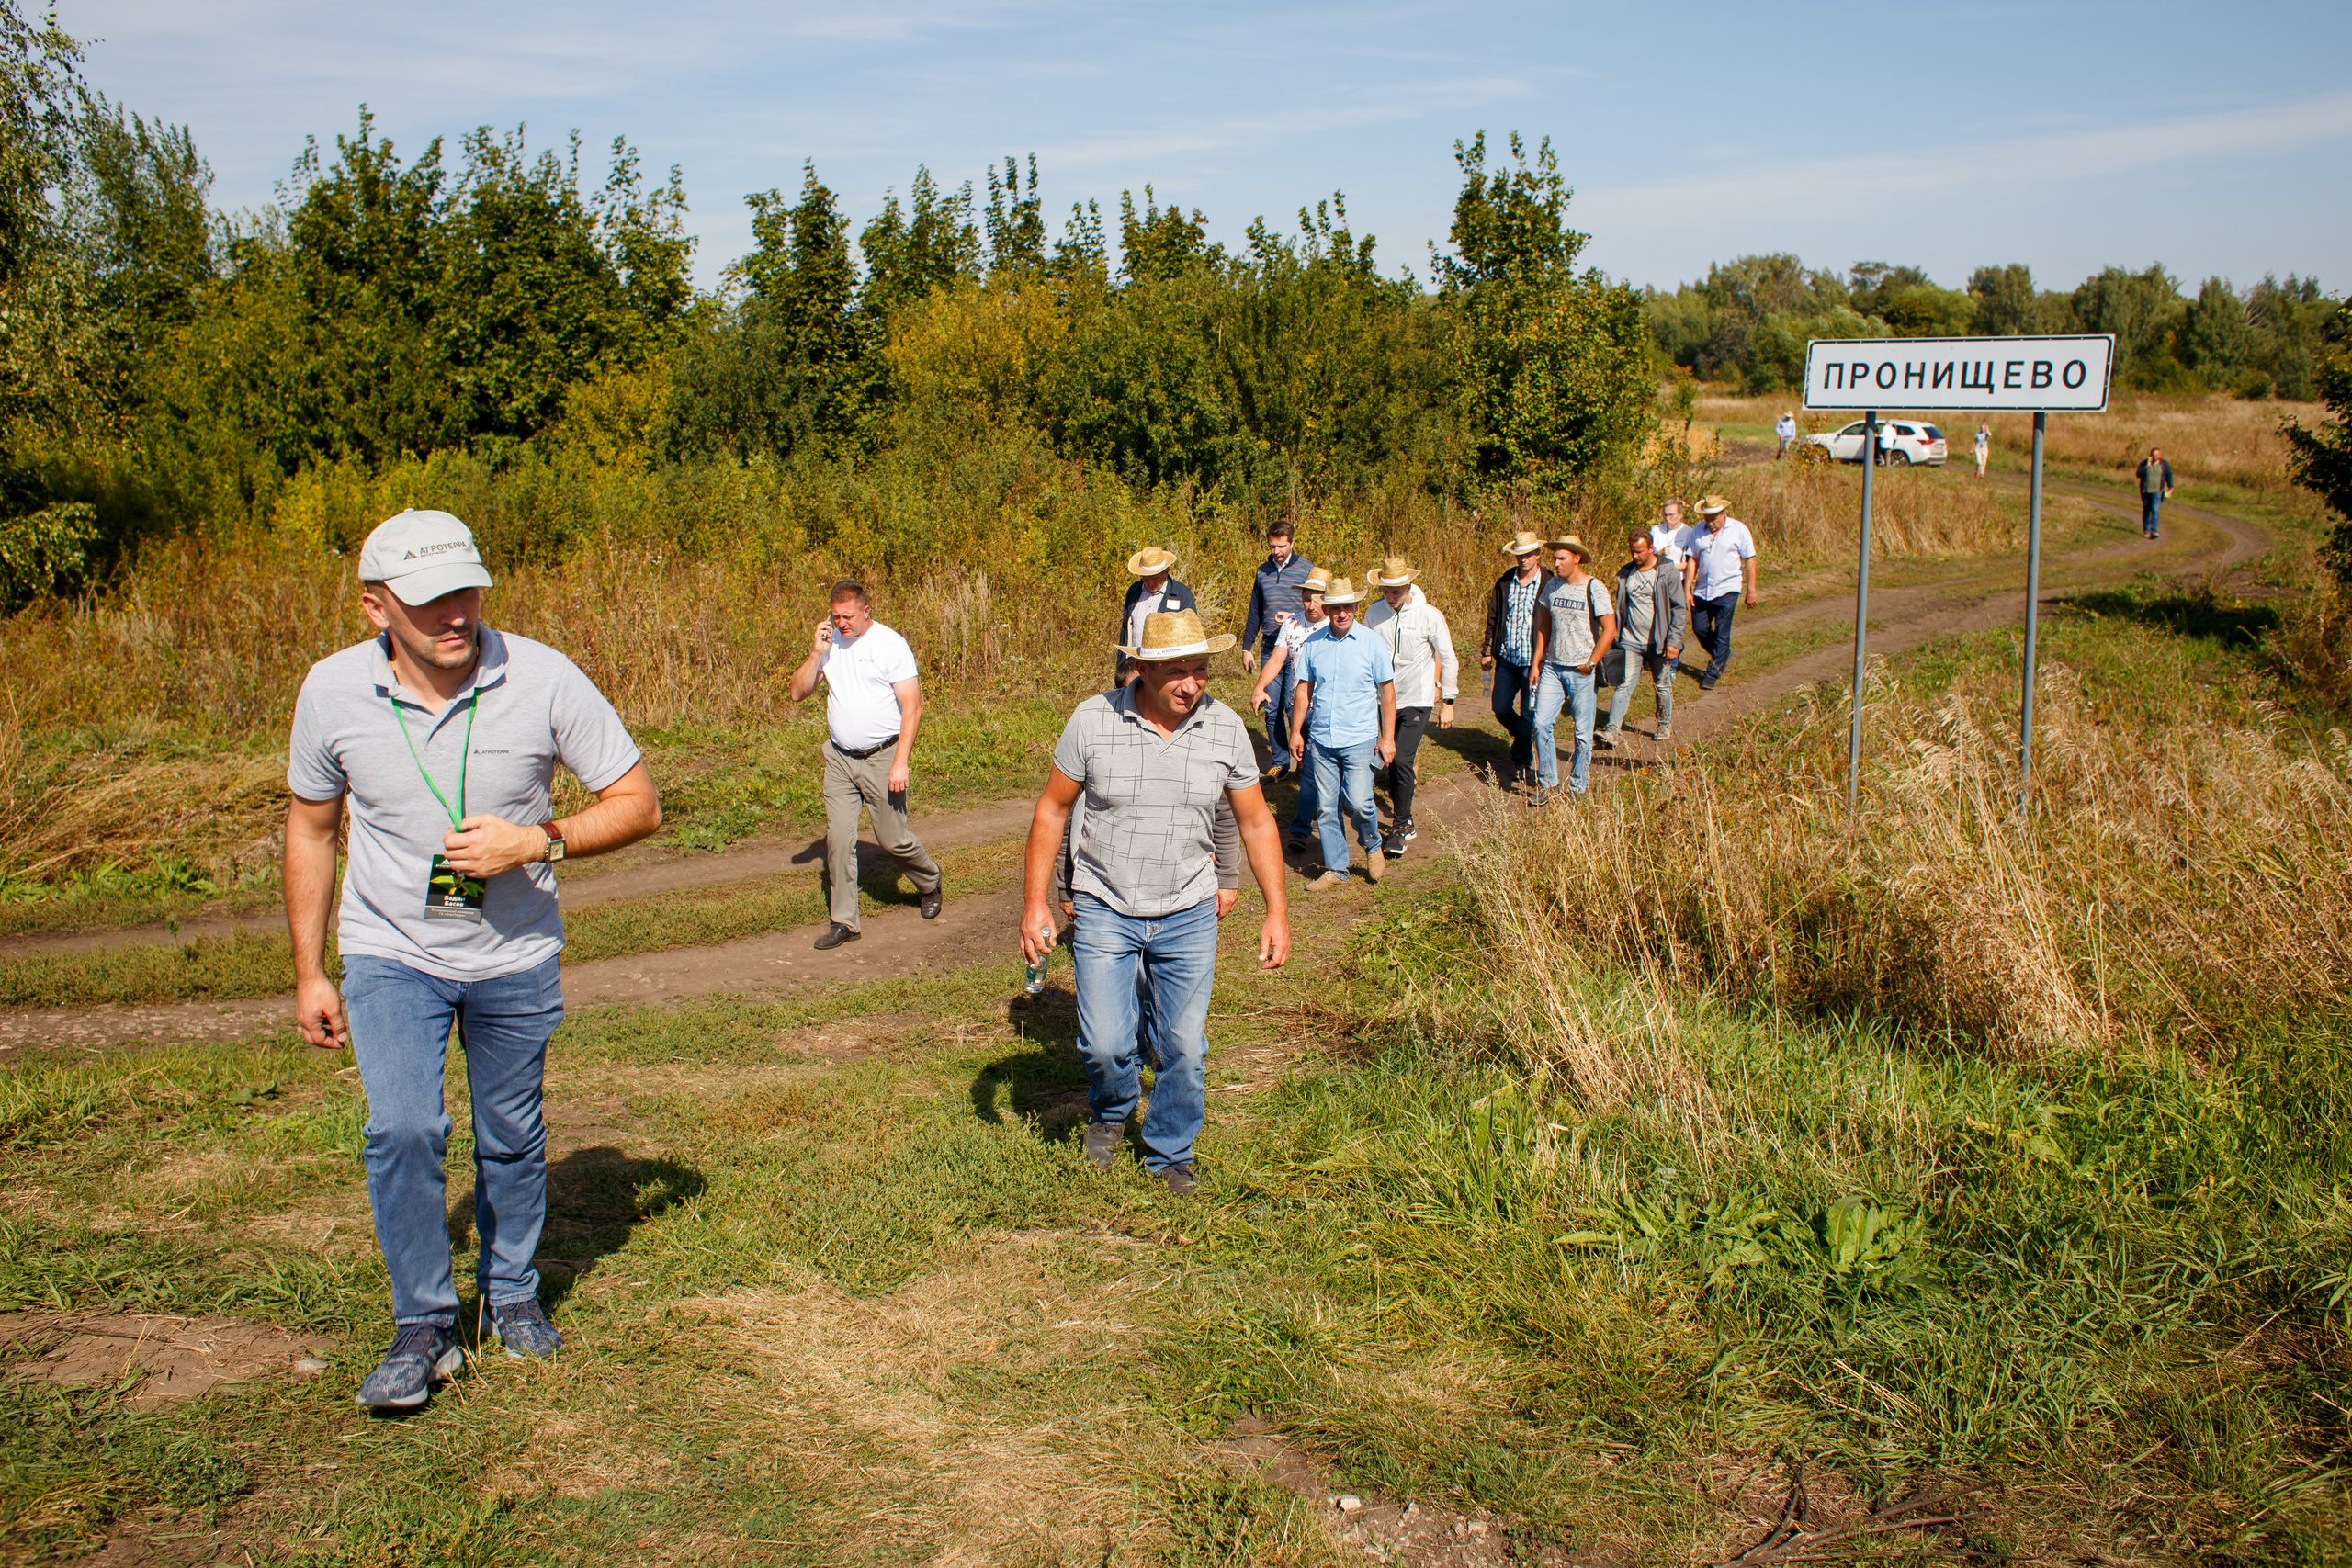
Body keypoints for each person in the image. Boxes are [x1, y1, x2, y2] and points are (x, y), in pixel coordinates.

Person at [284, 508, 662, 1411]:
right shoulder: (331, 692)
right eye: (429, 601)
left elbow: (637, 802)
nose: (456, 614)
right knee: (404, 1129)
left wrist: (536, 841)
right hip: (388, 948)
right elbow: (309, 825)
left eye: (467, 590)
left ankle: (514, 1293)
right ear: (376, 608)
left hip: (513, 955)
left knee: (510, 1136)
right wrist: (308, 969)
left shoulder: (541, 676)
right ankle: (422, 1324)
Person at [1021, 610, 1291, 1197]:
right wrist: (1035, 904)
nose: (1191, 684)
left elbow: (1255, 820)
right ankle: (1114, 1108)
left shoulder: (1223, 729)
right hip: (1104, 904)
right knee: (1107, 1043)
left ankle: (1171, 1149)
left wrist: (1276, 910)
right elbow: (1052, 809)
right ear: (1141, 669)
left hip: (1189, 911)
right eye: (1176, 672)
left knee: (1184, 1046)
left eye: (1200, 670)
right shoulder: (1093, 721)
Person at [787, 581, 943, 951]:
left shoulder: (890, 645)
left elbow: (913, 707)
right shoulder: (829, 645)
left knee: (892, 839)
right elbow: (797, 692)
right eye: (835, 616)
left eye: (848, 617)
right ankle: (845, 923)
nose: (841, 623)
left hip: (883, 757)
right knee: (838, 841)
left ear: (866, 611)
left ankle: (930, 880)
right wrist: (815, 654)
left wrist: (900, 761)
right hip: (840, 758)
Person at [1290, 577, 1397, 887]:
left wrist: (1387, 738)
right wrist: (1296, 732)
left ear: (1355, 607)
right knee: (1326, 807)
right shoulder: (1313, 644)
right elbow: (1303, 691)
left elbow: (1387, 693)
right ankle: (1336, 869)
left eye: (1347, 607)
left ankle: (1372, 844)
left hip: (1360, 738)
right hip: (1322, 739)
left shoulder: (1371, 642)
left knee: (1361, 802)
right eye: (1336, 608)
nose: (1342, 613)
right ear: (1327, 609)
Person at [1363, 556, 1458, 857]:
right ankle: (1405, 816)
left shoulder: (1429, 615)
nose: (1390, 597)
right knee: (1388, 758)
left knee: (1402, 759)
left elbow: (1448, 656)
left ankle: (1400, 826)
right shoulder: (1373, 614)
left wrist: (1449, 701)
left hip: (1417, 698)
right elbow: (1364, 653)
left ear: (1408, 585)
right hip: (1383, 698)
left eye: (1396, 591)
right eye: (1385, 591)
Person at [1528, 536, 1616, 800]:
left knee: (1582, 733)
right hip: (1553, 668)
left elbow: (1609, 629)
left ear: (1577, 558)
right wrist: (1536, 662)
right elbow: (1544, 626)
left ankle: (1578, 788)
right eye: (1554, 558)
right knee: (1541, 723)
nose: (1556, 563)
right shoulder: (1552, 586)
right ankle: (1548, 784)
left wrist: (1591, 663)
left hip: (1581, 671)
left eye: (1562, 558)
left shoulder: (1594, 587)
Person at [1250, 570, 1330, 845]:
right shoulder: (1292, 623)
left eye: (1318, 599)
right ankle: (1315, 814)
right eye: (1307, 599)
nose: (1311, 605)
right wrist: (1260, 687)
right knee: (1310, 763)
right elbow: (1276, 659)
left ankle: (1305, 824)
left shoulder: (1336, 624)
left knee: (1314, 765)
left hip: (1328, 707)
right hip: (1299, 704)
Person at [1598, 525, 1689, 748]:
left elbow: (1679, 608)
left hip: (1659, 641)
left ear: (1651, 549)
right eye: (1632, 551)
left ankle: (1664, 723)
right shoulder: (1626, 573)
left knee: (1662, 685)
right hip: (1630, 640)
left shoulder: (1666, 571)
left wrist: (1674, 642)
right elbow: (1620, 606)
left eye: (1639, 551)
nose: (1635, 556)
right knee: (1624, 684)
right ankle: (1612, 731)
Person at [1240, 522, 1318, 779]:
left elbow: (1316, 605)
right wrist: (1246, 646)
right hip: (1270, 646)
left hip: (1301, 647)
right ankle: (1280, 762)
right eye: (1272, 546)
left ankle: (1305, 759)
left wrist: (1294, 617)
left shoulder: (1307, 570)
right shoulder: (1262, 572)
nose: (1276, 551)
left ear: (1292, 543)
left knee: (1294, 704)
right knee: (1271, 706)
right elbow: (1255, 611)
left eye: (1281, 545)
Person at [1478, 531, 1551, 788]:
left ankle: (1522, 761)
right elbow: (1494, 617)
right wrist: (1487, 649)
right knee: (1499, 706)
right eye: (1519, 554)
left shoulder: (1549, 582)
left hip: (1534, 661)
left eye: (1529, 554)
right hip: (1507, 657)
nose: (1524, 559)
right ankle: (1522, 735)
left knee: (1529, 712)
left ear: (1538, 555)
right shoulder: (1506, 581)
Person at [1681, 495, 1757, 692]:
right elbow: (1692, 560)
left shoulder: (1739, 530)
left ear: (1724, 514)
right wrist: (1687, 589)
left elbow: (1749, 559)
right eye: (1707, 518)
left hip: (1728, 588)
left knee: (1722, 631)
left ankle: (1712, 672)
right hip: (1703, 590)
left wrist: (1751, 590)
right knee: (1699, 628)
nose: (1711, 523)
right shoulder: (1698, 530)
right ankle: (1722, 654)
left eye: (1714, 518)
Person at [1119, 547, 1195, 660]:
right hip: (1135, 663)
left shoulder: (1181, 594)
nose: (1150, 583)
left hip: (1167, 665)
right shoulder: (1134, 591)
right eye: (1145, 578)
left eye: (1155, 578)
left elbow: (1191, 635)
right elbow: (1125, 633)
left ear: (1166, 572)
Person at [2138, 446, 2175, 539]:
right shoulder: (2144, 463)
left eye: (2157, 455)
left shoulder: (2164, 464)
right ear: (2150, 455)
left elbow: (2168, 475)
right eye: (2153, 455)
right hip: (2146, 491)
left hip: (2157, 491)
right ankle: (2146, 530)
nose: (2155, 457)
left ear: (2160, 455)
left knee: (2155, 510)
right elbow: (2139, 474)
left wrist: (2171, 487)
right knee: (2147, 510)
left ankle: (2154, 530)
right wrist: (2147, 465)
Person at [1654, 499, 1692, 569]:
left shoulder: (1689, 532)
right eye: (1665, 515)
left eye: (1671, 515)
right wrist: (1660, 553)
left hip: (1678, 576)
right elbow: (1647, 555)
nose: (1667, 518)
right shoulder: (1656, 530)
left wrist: (1671, 568)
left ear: (1680, 515)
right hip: (1657, 575)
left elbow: (1691, 562)